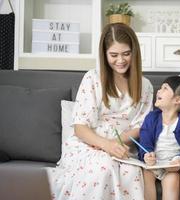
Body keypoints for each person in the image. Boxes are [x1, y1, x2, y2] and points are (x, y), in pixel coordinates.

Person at [47, 23, 153, 200]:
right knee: (102, 167)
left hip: (123, 146)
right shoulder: (92, 78)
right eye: (114, 55)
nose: (120, 60)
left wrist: (116, 145)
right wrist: (106, 145)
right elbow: (80, 127)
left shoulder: (146, 86)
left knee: (131, 172)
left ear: (134, 53)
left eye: (126, 54)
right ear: (104, 55)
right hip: (88, 144)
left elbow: (141, 126)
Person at [138, 76, 180, 200]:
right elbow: (145, 140)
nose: (159, 91)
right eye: (160, 88)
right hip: (153, 164)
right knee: (145, 176)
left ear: (178, 99)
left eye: (164, 88)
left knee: (173, 179)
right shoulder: (151, 118)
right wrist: (146, 154)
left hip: (171, 167)